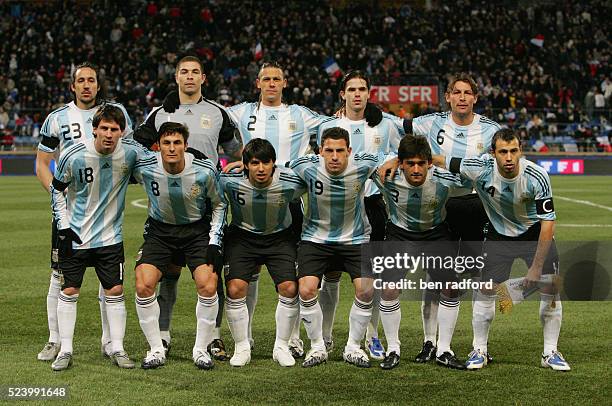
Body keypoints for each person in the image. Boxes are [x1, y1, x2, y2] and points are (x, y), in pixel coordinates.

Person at [220, 62, 382, 358]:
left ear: (284, 83)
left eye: (277, 79)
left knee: (292, 279)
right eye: (266, 79)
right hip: (253, 185)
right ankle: (247, 337)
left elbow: (336, 124)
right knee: (248, 273)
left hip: (290, 195)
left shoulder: (302, 115)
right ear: (257, 83)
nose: (271, 84)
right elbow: (213, 118)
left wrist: (348, 114)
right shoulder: (239, 111)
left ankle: (293, 338)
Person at [383, 73, 500, 364]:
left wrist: (442, 161)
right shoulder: (430, 122)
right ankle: (429, 342)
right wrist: (393, 156)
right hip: (440, 206)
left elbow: (488, 167)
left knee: (479, 278)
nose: (462, 97)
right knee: (436, 278)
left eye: (467, 93)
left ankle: (478, 346)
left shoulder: (490, 129)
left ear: (475, 97)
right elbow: (395, 127)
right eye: (456, 92)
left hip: (474, 206)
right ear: (447, 96)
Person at [134, 55, 241, 361]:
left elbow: (235, 150)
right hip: (168, 204)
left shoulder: (218, 113)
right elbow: (136, 150)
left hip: (204, 201)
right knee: (166, 272)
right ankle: (163, 336)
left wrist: (232, 169)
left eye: (195, 72)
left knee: (210, 274)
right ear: (176, 77)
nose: (190, 77)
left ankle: (214, 338)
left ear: (203, 78)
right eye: (184, 72)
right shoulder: (159, 113)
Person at [443, 128, 570, 371]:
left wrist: (534, 269)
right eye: (503, 152)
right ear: (493, 153)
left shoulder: (537, 175)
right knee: (486, 289)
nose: (509, 157)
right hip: (498, 234)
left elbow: (548, 224)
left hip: (533, 233)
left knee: (551, 288)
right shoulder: (480, 168)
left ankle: (550, 352)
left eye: (514, 151)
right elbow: (443, 160)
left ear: (520, 150)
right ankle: (479, 349)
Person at [35, 62, 133, 362]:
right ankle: (55, 340)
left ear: (98, 85)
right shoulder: (57, 118)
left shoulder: (116, 113)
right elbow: (42, 163)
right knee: (59, 277)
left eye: (92, 80)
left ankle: (109, 342)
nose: (87, 85)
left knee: (111, 284)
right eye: (81, 81)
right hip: (70, 213)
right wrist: (60, 198)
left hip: (105, 212)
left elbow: (129, 154)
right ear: (73, 86)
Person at [49, 104, 146, 371]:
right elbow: (56, 190)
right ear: (94, 129)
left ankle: (117, 348)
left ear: (122, 132)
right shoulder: (74, 155)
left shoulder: (131, 154)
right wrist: (63, 225)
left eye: (114, 129)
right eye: (104, 128)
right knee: (69, 290)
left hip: (110, 237)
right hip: (75, 236)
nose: (108, 134)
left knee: (115, 291)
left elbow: (160, 162)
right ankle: (65, 350)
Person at [316, 70, 401, 360]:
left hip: (372, 203)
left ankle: (372, 334)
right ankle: (326, 335)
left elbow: (401, 151)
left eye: (362, 89)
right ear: (342, 94)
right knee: (331, 272)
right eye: (351, 89)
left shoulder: (385, 125)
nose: (356, 94)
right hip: (334, 205)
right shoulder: (328, 125)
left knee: (372, 274)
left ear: (369, 93)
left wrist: (394, 159)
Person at [373, 135, 472, 370]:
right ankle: (393, 349)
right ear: (402, 163)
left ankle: (444, 349)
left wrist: (438, 160)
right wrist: (391, 161)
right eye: (410, 163)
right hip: (400, 234)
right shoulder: (387, 176)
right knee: (389, 289)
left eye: (421, 163)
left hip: (435, 233)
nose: (416, 169)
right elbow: (359, 159)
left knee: (450, 288)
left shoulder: (444, 179)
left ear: (428, 163)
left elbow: (472, 176)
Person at [132, 122, 226, 370]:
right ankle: (155, 349)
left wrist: (215, 240)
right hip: (160, 231)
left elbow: (219, 204)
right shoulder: (145, 166)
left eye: (177, 143)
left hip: (196, 231)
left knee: (208, 285)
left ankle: (200, 349)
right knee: (143, 284)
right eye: (166, 143)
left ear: (185, 145)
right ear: (158, 146)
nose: (171, 148)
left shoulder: (204, 171)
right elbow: (121, 147)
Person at [288, 127, 384, 368]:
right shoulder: (305, 166)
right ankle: (318, 346)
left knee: (366, 291)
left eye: (340, 151)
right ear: (320, 151)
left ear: (349, 151)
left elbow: (389, 159)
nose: (334, 156)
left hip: (355, 239)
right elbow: (276, 169)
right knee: (307, 289)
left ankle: (353, 346)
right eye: (328, 150)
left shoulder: (365, 165)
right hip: (315, 239)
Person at [219, 138, 306, 367]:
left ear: (274, 164)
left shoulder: (290, 181)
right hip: (243, 237)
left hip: (279, 237)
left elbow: (315, 173)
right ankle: (242, 346)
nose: (261, 169)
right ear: (246, 164)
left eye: (266, 163)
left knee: (289, 288)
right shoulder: (229, 180)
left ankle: (281, 346)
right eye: (255, 163)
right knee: (236, 288)